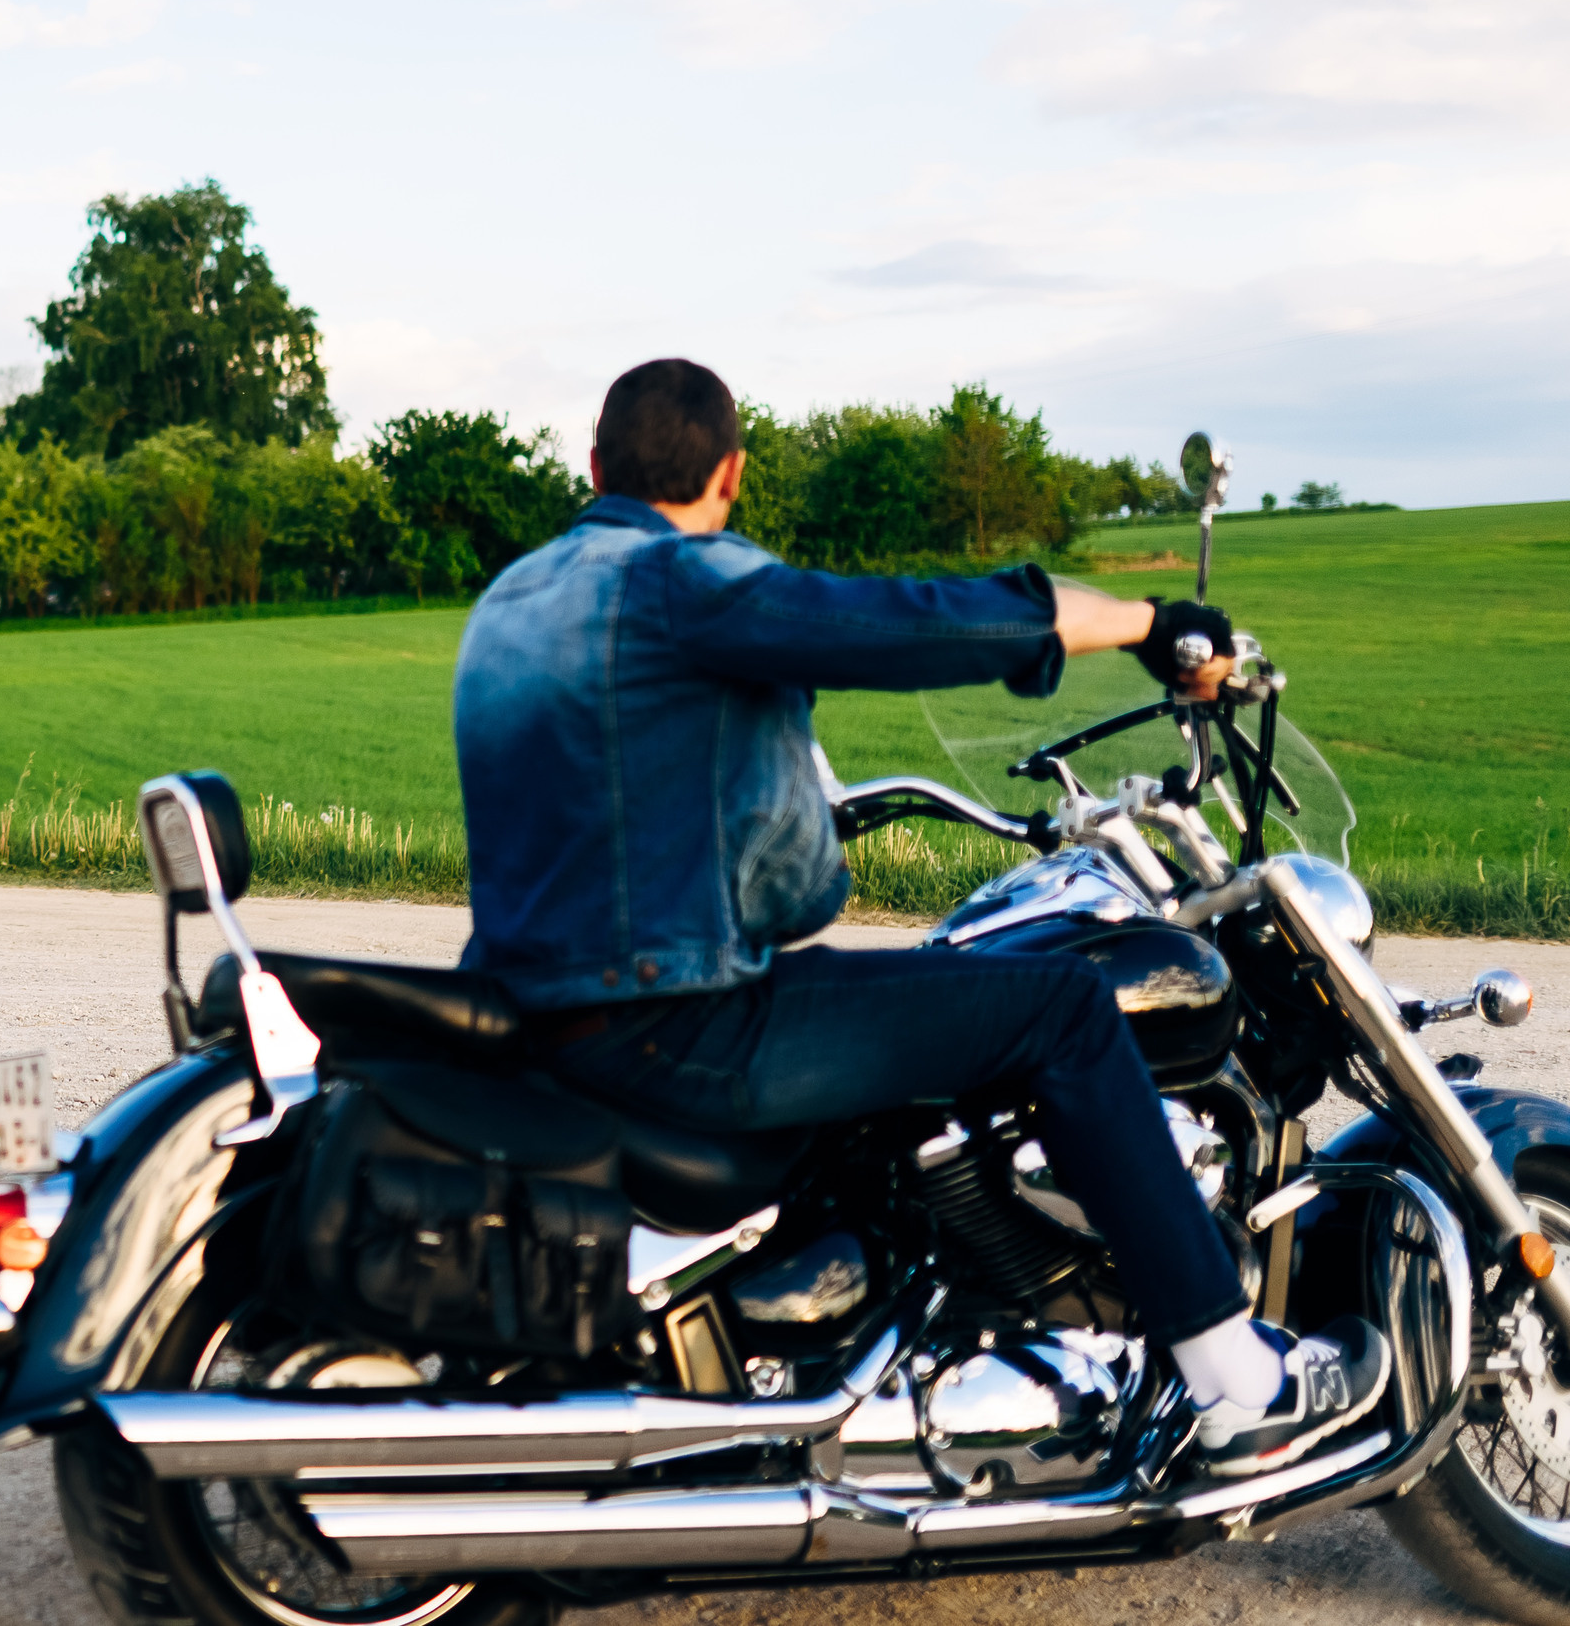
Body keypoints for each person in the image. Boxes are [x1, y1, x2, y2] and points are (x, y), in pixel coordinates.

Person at [453, 358, 1385, 1478]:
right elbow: (911, 621)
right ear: (732, 475)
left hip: (534, 1011)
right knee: (1066, 1007)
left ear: (594, 466)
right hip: (670, 1024)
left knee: (904, 982)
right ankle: (1237, 1378)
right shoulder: (682, 584)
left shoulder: (513, 599)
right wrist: (1148, 621)